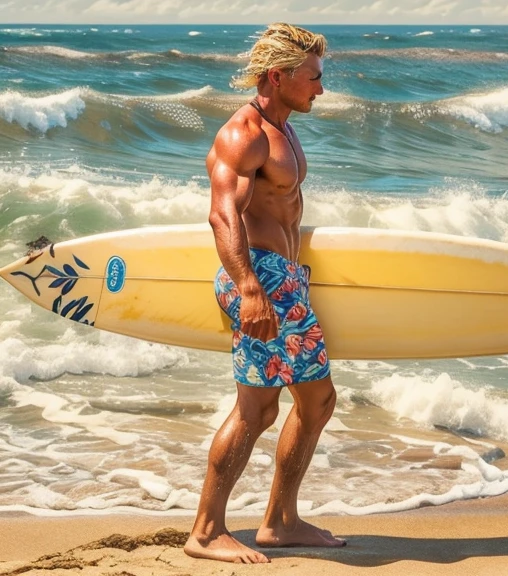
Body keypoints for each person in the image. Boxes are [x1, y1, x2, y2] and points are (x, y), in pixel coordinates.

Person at [184, 23, 347, 564]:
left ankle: (280, 521)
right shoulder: (244, 133)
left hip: (285, 279)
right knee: (256, 410)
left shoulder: (284, 127)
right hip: (259, 280)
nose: (320, 89)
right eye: (313, 78)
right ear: (278, 77)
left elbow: (281, 209)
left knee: (316, 402)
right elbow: (222, 212)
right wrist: (250, 289)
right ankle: (206, 532)